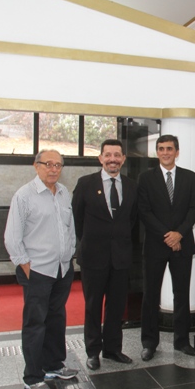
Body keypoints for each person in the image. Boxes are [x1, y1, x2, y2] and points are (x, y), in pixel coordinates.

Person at [4, 150, 78, 389]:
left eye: (58, 165)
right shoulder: (24, 196)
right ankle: (33, 376)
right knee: (35, 323)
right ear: (36, 166)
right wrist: (25, 265)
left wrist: (69, 255)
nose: (54, 169)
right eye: (48, 164)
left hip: (62, 269)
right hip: (37, 271)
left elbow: (70, 229)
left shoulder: (64, 192)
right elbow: (12, 237)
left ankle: (54, 365)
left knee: (56, 318)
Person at [72, 139, 138, 371]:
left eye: (117, 155)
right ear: (100, 158)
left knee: (116, 306)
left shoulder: (131, 186)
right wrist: (89, 242)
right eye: (108, 155)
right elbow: (77, 220)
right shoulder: (85, 184)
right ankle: (93, 352)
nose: (113, 159)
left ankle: (113, 349)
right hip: (93, 257)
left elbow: (132, 221)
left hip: (120, 257)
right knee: (93, 306)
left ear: (123, 159)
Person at [138, 134, 195, 360]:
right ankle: (149, 343)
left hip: (182, 245)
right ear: (157, 152)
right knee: (150, 295)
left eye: (170, 148)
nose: (165, 152)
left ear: (177, 151)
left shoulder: (189, 177)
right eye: (161, 148)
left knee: (181, 294)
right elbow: (144, 211)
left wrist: (179, 234)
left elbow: (194, 208)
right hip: (156, 245)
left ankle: (182, 341)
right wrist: (168, 236)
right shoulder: (146, 178)